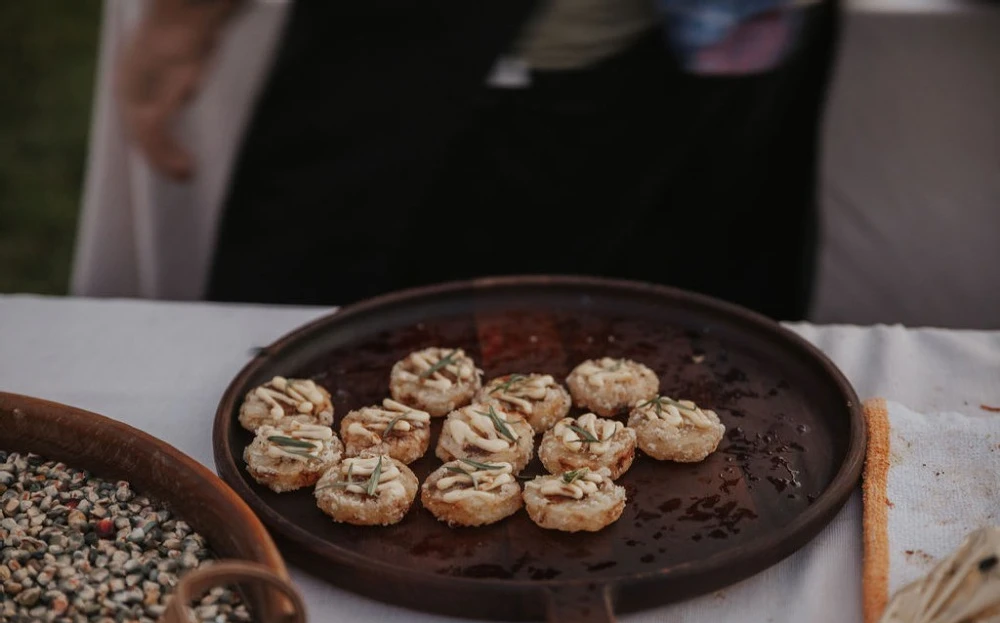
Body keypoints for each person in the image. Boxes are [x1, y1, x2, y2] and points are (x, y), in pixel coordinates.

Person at [118, 0, 840, 320]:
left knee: (686, 330)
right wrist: (185, 18)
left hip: (725, 48)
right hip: (450, 60)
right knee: (326, 336)